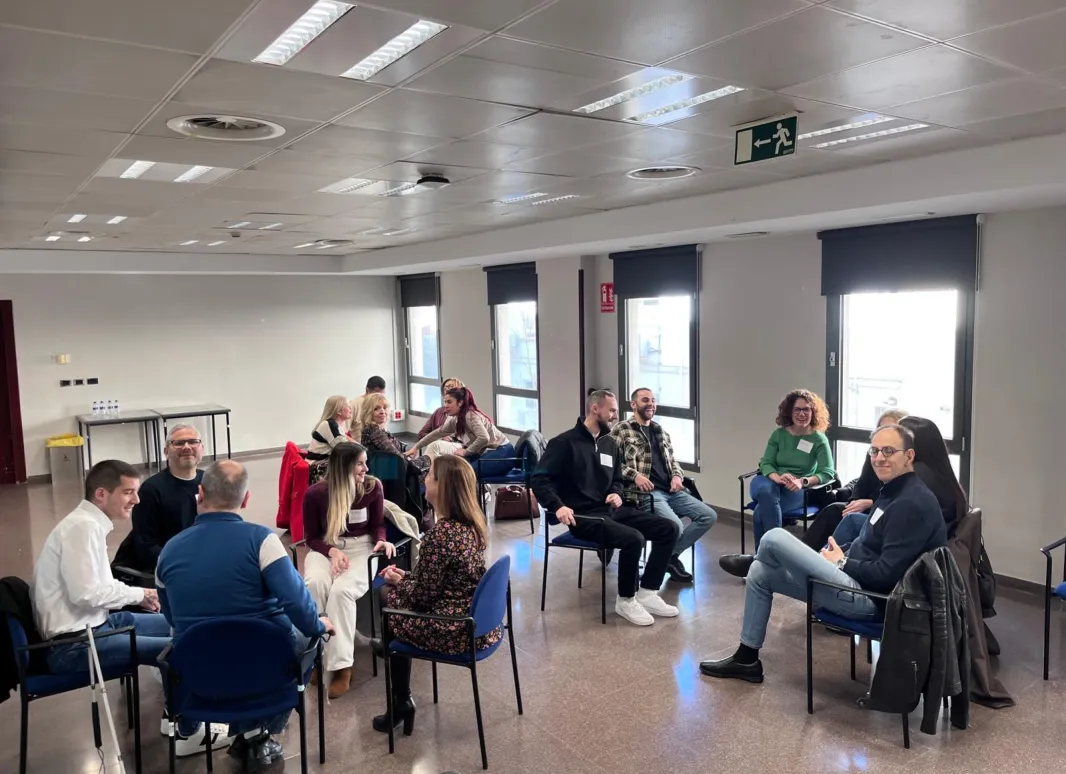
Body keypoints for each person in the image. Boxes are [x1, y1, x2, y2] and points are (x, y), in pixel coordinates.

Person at [699, 424, 947, 683]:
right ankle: (746, 659)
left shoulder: (910, 503)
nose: (879, 458)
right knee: (759, 573)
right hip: (854, 584)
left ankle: (765, 556)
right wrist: (840, 558)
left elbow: (886, 575)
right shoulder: (892, 491)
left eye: (888, 451)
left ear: (909, 456)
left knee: (773, 537)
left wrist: (841, 561)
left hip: (871, 600)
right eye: (874, 451)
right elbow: (868, 542)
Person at [156, 460, 334, 768]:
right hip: (264, 663)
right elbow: (299, 606)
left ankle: (235, 728)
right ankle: (257, 731)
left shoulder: (169, 550)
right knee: (313, 635)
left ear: (199, 493)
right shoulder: (263, 541)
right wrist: (320, 624)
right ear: (247, 498)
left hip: (200, 670)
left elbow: (171, 617)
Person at [31, 462, 214, 755]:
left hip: (95, 625)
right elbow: (86, 593)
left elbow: (94, 589)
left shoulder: (87, 523)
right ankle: (187, 732)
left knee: (180, 623)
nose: (137, 500)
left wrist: (140, 596)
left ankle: (175, 712)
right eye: (128, 492)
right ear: (101, 494)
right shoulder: (82, 528)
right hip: (73, 645)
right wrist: (138, 593)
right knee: (180, 649)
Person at [369, 455, 500, 736]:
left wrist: (399, 581)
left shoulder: (441, 535)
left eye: (429, 476)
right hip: (476, 619)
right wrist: (406, 577)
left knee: (385, 596)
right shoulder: (471, 525)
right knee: (395, 594)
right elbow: (440, 581)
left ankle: (400, 700)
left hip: (455, 627)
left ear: (442, 487)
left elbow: (422, 599)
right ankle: (389, 645)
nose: (424, 479)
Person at [531, 390, 680, 626]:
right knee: (634, 539)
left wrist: (616, 493)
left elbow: (617, 479)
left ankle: (648, 592)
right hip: (581, 516)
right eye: (611, 410)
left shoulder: (610, 443)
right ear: (595, 409)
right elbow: (539, 480)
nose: (615, 416)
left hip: (611, 511)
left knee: (669, 528)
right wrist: (558, 506)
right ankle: (626, 600)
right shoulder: (563, 443)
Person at [720, 408, 906, 579]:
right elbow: (862, 482)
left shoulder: (905, 461)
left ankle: (770, 560)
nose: (802, 414)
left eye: (806, 409)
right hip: (777, 486)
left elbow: (897, 495)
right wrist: (855, 500)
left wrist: (870, 502)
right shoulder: (873, 453)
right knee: (774, 499)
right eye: (881, 428)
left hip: (878, 512)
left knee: (764, 508)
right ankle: (778, 559)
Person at [302, 442, 395, 699]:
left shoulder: (372, 487)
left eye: (365, 462)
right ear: (343, 467)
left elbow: (377, 525)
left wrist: (380, 539)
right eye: (360, 464)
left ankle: (342, 665)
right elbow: (310, 537)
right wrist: (332, 552)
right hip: (326, 547)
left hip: (362, 549)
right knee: (314, 585)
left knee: (341, 592)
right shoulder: (316, 494)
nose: (367, 468)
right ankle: (316, 656)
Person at [610, 388, 717, 583]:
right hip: (647, 494)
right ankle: (664, 562)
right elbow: (611, 463)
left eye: (652, 400)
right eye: (645, 400)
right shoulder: (622, 429)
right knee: (675, 526)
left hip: (671, 491)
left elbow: (673, 461)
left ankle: (667, 557)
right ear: (633, 405)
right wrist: (635, 476)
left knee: (708, 515)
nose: (650, 403)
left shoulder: (661, 431)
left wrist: (677, 476)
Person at [744, 389, 835, 553]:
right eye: (797, 409)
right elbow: (766, 463)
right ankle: (774, 555)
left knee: (760, 512)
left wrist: (802, 481)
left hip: (795, 489)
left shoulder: (818, 439)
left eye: (806, 409)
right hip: (769, 480)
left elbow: (827, 472)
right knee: (767, 491)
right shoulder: (779, 434)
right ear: (789, 412)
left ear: (813, 412)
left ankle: (763, 558)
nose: (802, 414)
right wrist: (777, 477)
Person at [112, 424, 204, 579]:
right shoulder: (152, 489)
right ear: (166, 452)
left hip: (197, 560)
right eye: (179, 443)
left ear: (202, 448)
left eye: (193, 441)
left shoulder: (210, 482)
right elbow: (146, 544)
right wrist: (181, 565)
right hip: (163, 566)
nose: (187, 447)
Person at [407, 387, 514, 477]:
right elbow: (437, 433)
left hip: (504, 453)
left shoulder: (470, 416)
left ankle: (472, 499)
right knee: (454, 470)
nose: (446, 405)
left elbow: (484, 438)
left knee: (464, 474)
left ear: (460, 403)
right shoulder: (456, 420)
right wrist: (416, 447)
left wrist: (465, 452)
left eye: (449, 402)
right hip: (491, 451)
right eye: (445, 402)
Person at [357, 393, 431, 483]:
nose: (382, 412)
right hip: (393, 474)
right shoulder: (374, 431)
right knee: (434, 464)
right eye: (376, 409)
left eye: (384, 408)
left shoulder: (375, 429)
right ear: (368, 412)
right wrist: (410, 459)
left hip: (391, 470)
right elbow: (396, 455)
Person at [307, 395, 353, 484]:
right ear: (339, 411)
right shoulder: (330, 425)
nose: (351, 408)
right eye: (348, 406)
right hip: (319, 467)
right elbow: (345, 449)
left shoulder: (335, 424)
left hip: (324, 463)